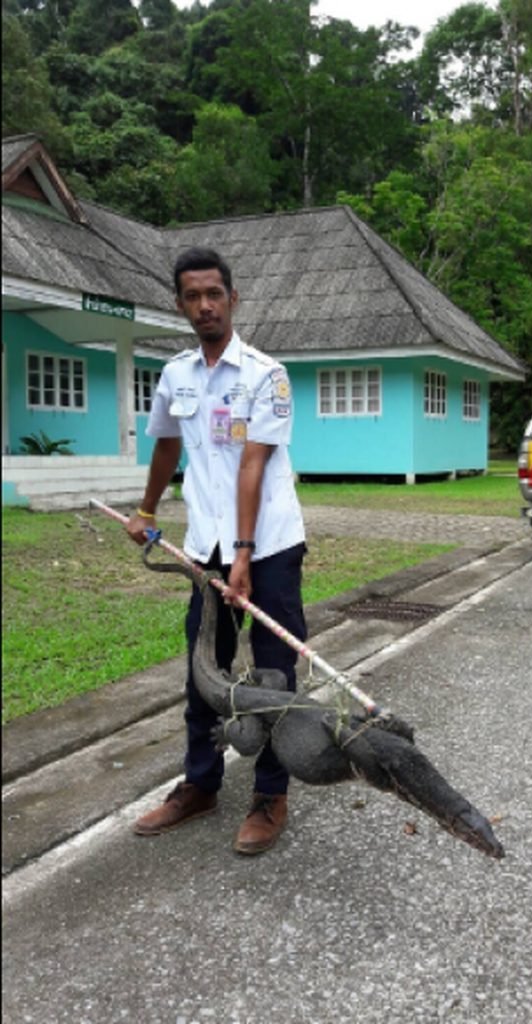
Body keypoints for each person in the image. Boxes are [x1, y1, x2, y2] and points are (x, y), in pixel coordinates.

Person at [126, 247, 307, 855]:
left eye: (215, 294)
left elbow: (253, 465)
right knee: (205, 668)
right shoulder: (176, 374)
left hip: (270, 546)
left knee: (274, 671)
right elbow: (165, 449)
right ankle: (201, 784)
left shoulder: (265, 374)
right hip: (205, 549)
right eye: (192, 296)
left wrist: (246, 556)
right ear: (180, 304)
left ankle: (269, 794)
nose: (205, 305)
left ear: (233, 298)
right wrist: (147, 509)